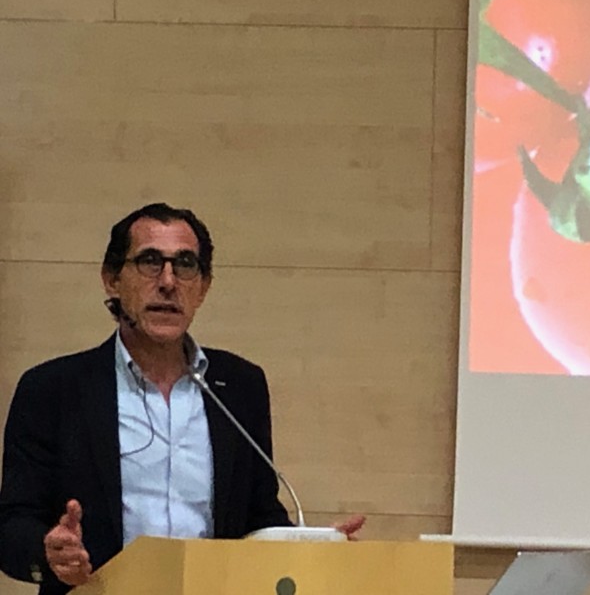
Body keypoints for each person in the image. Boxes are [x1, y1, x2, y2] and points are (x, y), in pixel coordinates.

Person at [0, 203, 364, 595]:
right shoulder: (53, 389)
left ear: (203, 287)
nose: (168, 282)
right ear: (112, 279)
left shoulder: (238, 387)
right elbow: (12, 526)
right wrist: (49, 553)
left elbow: (257, 516)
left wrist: (313, 548)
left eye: (186, 264)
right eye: (149, 262)